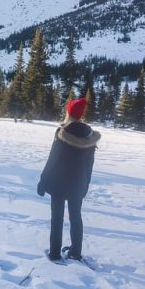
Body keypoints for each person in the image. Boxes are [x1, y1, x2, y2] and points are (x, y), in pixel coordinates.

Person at [37, 98, 100, 261]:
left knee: (57, 218)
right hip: (78, 184)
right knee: (76, 218)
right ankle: (75, 252)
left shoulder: (62, 132)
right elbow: (89, 164)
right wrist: (85, 185)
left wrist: (43, 181)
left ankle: (55, 253)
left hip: (58, 183)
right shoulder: (90, 135)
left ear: (69, 112)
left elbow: (53, 159)